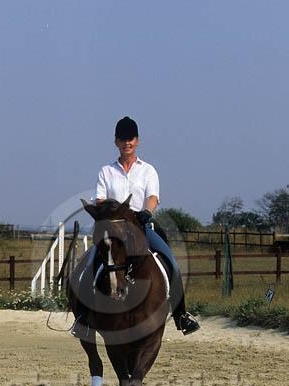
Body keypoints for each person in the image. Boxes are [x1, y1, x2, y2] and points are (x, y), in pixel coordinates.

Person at [71, 116, 200, 337]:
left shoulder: (148, 170)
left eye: (130, 139)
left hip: (142, 228)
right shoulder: (106, 172)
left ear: (137, 141)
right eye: (122, 139)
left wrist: (146, 212)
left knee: (171, 262)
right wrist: (113, 212)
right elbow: (99, 200)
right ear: (116, 142)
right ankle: (83, 316)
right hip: (113, 231)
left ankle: (181, 315)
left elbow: (153, 197)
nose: (126, 143)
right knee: (89, 264)